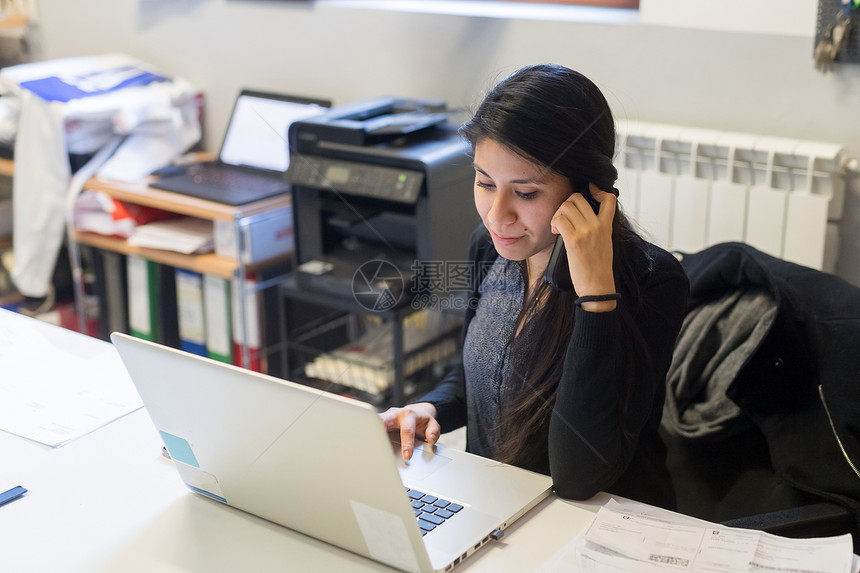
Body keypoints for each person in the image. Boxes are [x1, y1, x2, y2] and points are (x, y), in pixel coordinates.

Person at [380, 64, 689, 509]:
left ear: (587, 192)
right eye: (485, 183)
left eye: (525, 194)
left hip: (591, 527)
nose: (496, 214)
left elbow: (578, 476)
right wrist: (428, 408)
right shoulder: (491, 249)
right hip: (495, 508)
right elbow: (477, 376)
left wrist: (595, 296)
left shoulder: (652, 283)